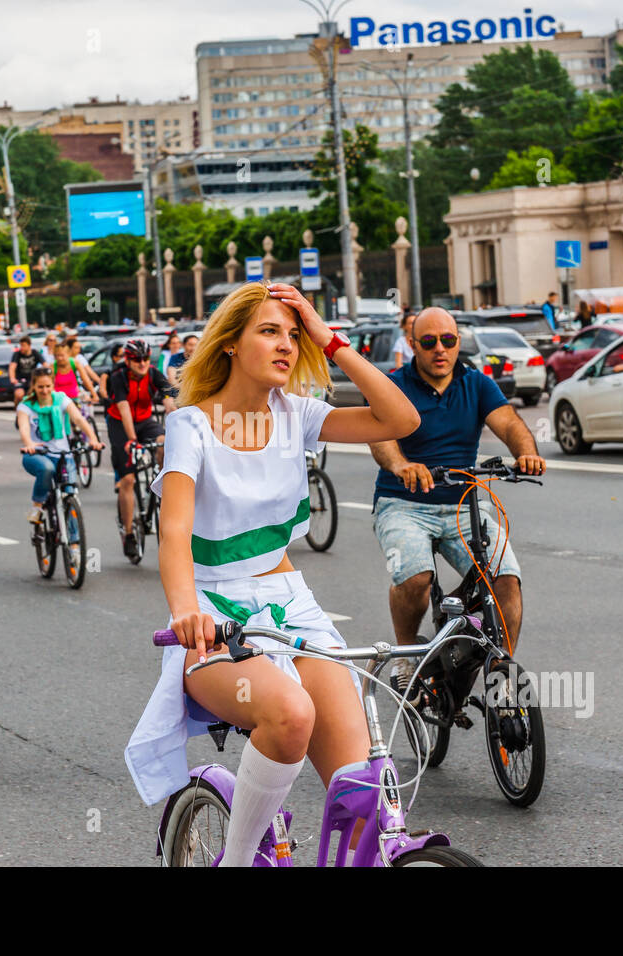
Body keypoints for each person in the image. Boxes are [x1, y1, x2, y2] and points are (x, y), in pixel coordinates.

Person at [123, 280, 420, 864]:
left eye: (292, 335)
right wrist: (187, 611)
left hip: (292, 604)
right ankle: (236, 861)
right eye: (268, 331)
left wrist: (328, 337)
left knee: (362, 788)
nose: (286, 345)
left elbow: (401, 419)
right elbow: (176, 532)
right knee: (290, 714)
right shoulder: (192, 426)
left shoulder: (299, 416)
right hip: (213, 611)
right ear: (231, 343)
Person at [368, 307, 546, 694]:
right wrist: (401, 465)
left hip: (465, 502)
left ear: (458, 342)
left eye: (447, 340)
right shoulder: (394, 384)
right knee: (415, 578)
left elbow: (510, 423)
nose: (439, 349)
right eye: (428, 342)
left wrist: (525, 453)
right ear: (413, 345)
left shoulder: (477, 384)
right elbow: (380, 437)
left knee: (505, 580)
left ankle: (500, 668)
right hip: (405, 504)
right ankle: (405, 653)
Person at [107, 338, 176, 558]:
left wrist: (175, 421)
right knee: (128, 480)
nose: (142, 363)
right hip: (120, 423)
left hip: (146, 420)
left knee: (165, 442)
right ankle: (128, 534)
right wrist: (132, 439)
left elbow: (169, 399)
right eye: (137, 359)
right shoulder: (118, 377)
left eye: (145, 358)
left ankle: (163, 479)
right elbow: (124, 408)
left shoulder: (153, 373)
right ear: (128, 360)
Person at [17, 367, 103, 525]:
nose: (45, 391)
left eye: (48, 386)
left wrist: (93, 439)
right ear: (33, 386)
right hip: (37, 454)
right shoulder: (26, 405)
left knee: (71, 496)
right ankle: (37, 506)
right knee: (46, 468)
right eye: (40, 387)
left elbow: (78, 419)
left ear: (53, 385)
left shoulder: (61, 399)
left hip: (63, 455)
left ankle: (75, 547)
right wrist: (29, 443)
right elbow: (23, 427)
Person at [9, 336, 43, 406]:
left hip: (32, 379)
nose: (21, 348)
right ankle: (18, 411)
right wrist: (12, 378)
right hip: (20, 379)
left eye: (23, 346)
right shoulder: (17, 354)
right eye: (20, 345)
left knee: (34, 395)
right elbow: (12, 367)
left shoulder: (35, 353)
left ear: (29, 345)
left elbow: (45, 364)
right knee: (19, 395)